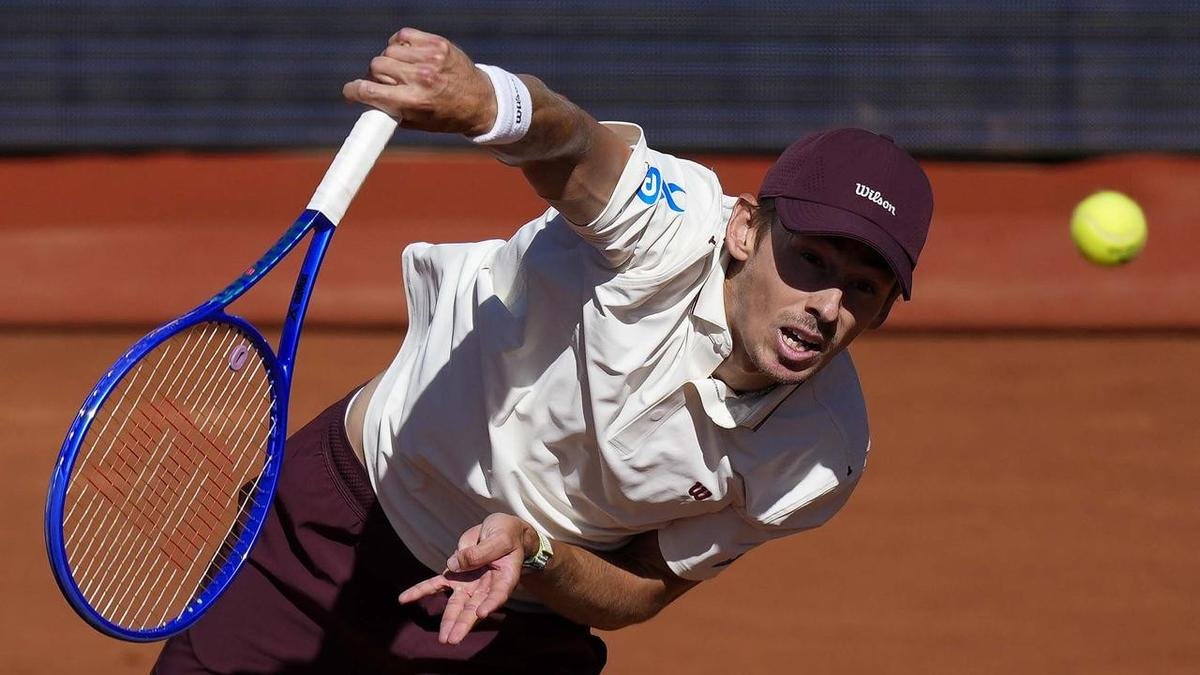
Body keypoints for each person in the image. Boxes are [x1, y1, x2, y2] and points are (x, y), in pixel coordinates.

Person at [153, 27, 933, 674]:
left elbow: (642, 588)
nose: (826, 305)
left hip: (510, 618)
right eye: (810, 260)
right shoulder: (673, 223)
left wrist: (535, 553)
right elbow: (579, 151)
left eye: (863, 288)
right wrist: (492, 102)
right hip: (344, 521)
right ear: (744, 230)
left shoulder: (822, 454)